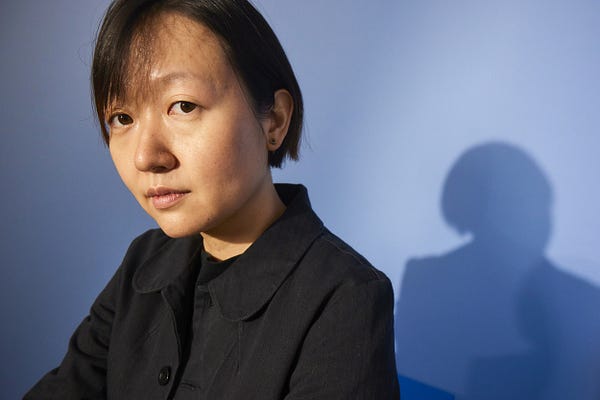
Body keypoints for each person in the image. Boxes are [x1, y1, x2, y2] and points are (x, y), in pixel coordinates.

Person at [24, 0, 399, 398]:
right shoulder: (144, 262)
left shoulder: (345, 297)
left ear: (274, 120)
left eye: (183, 106)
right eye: (122, 118)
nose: (145, 157)